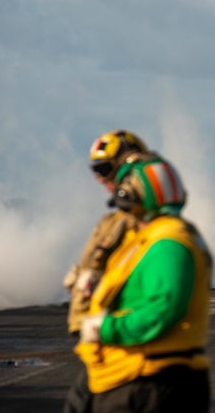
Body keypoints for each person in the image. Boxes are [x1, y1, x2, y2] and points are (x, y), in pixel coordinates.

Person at [74, 156, 214, 412]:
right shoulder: (152, 238)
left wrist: (106, 328)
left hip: (148, 382)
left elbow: (163, 307)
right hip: (131, 377)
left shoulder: (167, 242)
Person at [63, 129, 149, 413]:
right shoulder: (114, 223)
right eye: (95, 171)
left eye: (104, 169)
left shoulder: (146, 228)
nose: (100, 179)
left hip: (121, 353)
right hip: (98, 351)